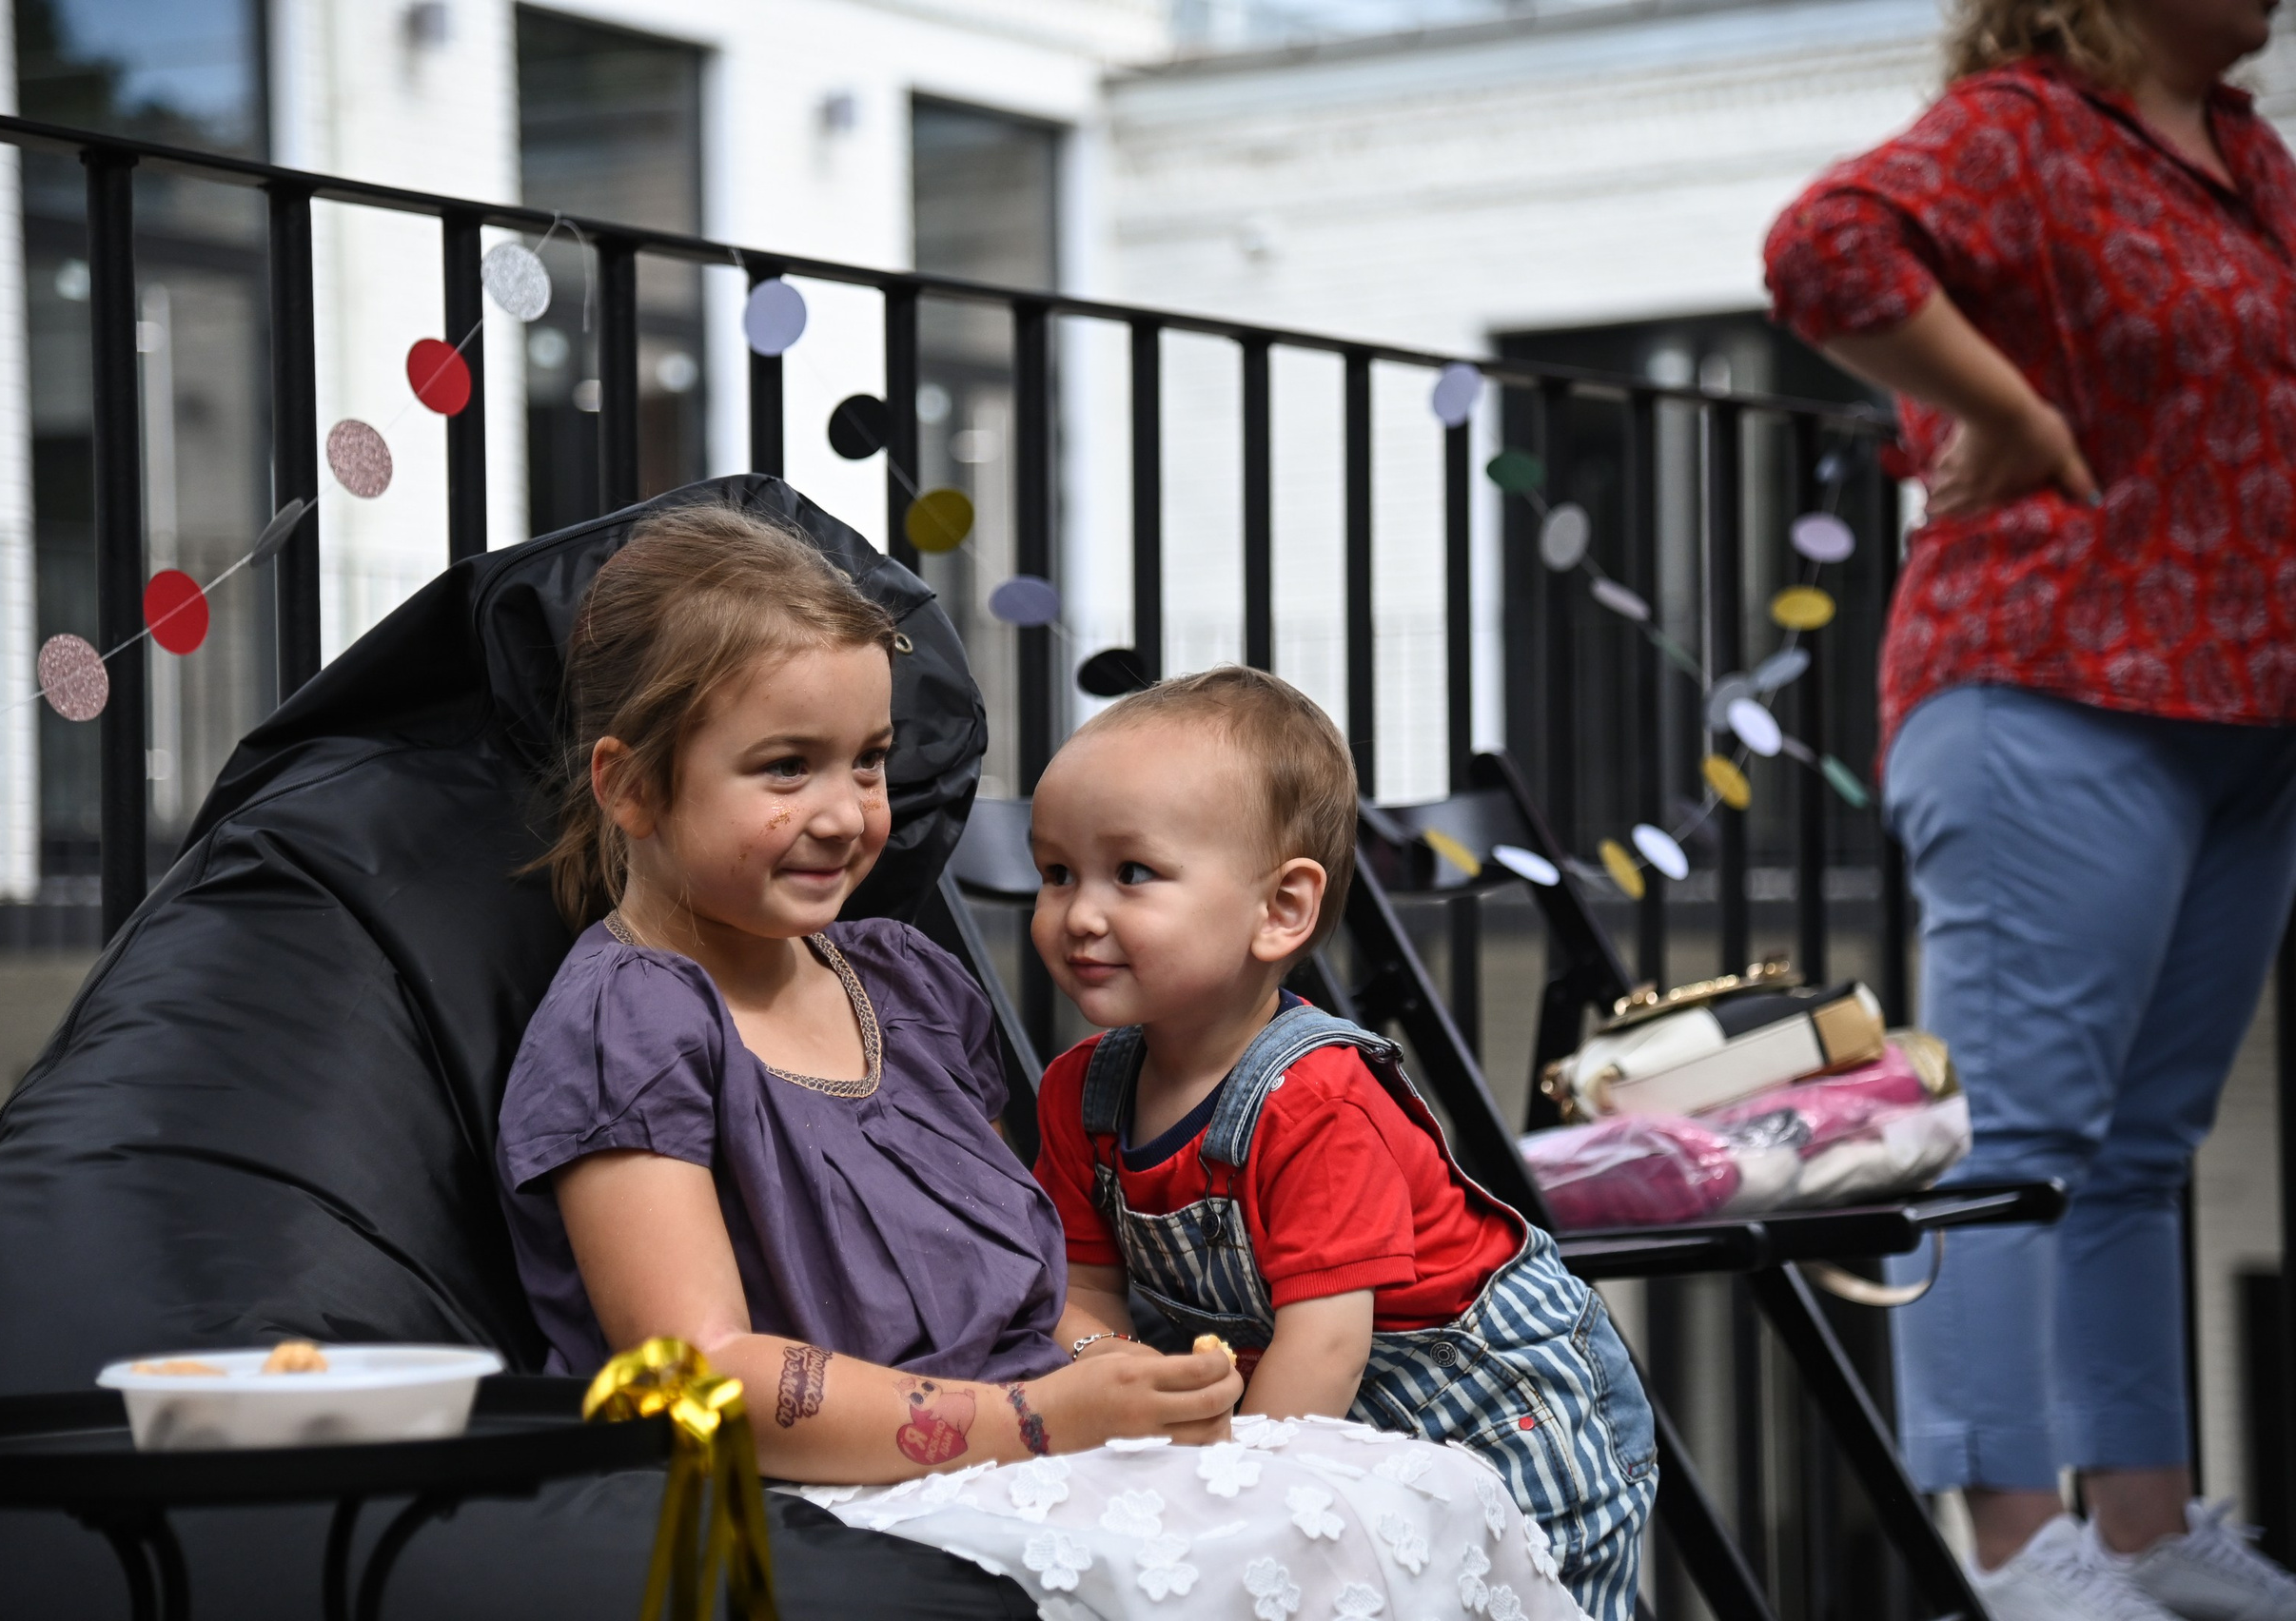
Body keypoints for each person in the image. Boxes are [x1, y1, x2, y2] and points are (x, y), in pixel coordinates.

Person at [493, 507, 1586, 1621]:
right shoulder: (629, 1024)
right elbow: (703, 1375)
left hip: (1038, 1442)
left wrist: (1129, 1377)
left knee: (1417, 1493)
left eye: (868, 762)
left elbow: (1028, 1280)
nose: (842, 814)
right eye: (785, 769)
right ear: (629, 787)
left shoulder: (903, 985)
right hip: (843, 1491)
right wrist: (1047, 1418)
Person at [1763, 3, 2296, 1619]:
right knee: (2011, 1138)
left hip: (2247, 710)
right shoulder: (2026, 129)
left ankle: (2138, 1523)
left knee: (2141, 1148)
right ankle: (2011, 1544)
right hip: (2053, 680)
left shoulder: (2252, 161)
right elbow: (1824, 249)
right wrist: (2003, 409)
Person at [1025, 666, 1658, 1621]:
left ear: (1280, 910)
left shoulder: (1316, 1098)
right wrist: (1117, 1370)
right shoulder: (1083, 1094)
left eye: (1132, 874)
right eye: (1056, 873)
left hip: (1496, 1426)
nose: (1079, 914)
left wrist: (1222, 1500)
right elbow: (1077, 1291)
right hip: (1308, 1434)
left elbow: (1324, 1345)